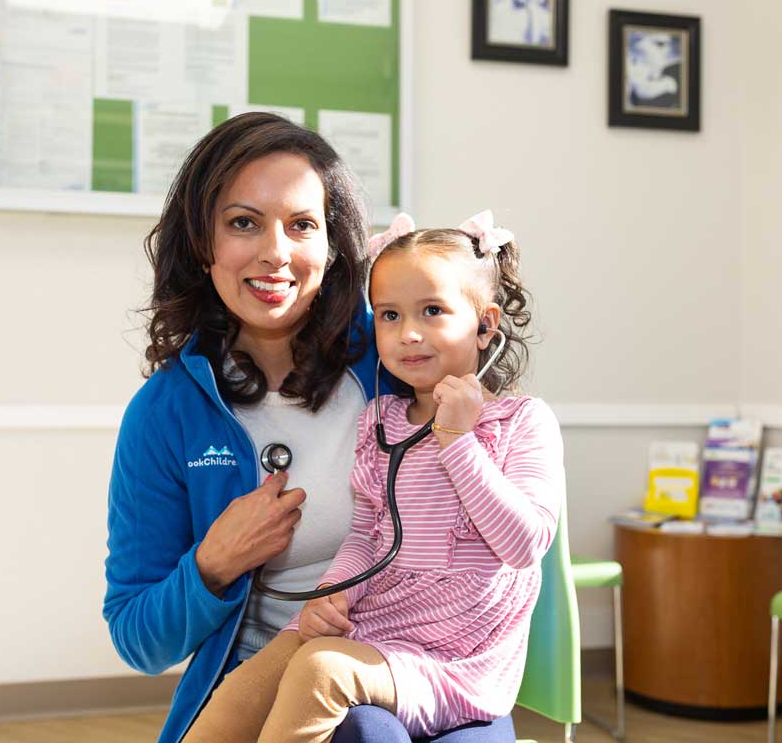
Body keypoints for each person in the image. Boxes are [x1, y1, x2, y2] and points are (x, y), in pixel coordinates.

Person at [103, 114, 518, 743]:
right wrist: (214, 563)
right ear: (202, 244)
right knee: (362, 731)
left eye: (302, 225)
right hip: (270, 675)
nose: (275, 251)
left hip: (432, 663)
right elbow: (137, 637)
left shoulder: (398, 359)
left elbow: (505, 490)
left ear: (333, 246)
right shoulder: (166, 414)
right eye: (243, 222)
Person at [182, 212, 566, 743]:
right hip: (378, 620)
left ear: (486, 325)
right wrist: (329, 596)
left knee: (321, 672)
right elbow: (367, 535)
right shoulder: (379, 423)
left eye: (432, 311)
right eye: (388, 315)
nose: (408, 334)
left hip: (456, 654)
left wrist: (457, 442)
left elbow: (524, 545)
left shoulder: (523, 423)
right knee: (261, 672)